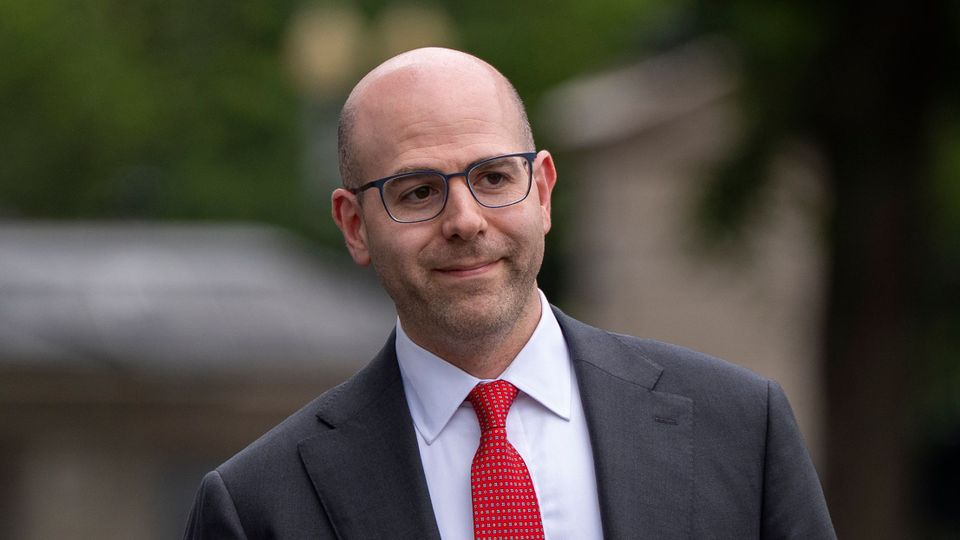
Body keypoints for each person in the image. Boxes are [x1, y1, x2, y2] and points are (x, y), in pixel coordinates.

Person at [184, 47, 835, 539]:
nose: (465, 221)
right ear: (355, 226)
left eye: (494, 178)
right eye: (418, 192)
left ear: (543, 192)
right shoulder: (257, 507)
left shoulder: (741, 430)